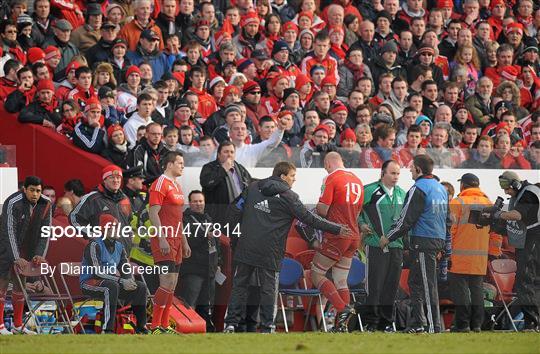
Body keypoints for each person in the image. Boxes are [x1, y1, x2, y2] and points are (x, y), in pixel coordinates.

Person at [224, 161, 351, 333]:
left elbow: (234, 210)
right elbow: (309, 219)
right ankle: (268, 327)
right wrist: (336, 228)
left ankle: (230, 324)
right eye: (292, 176)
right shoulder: (289, 196)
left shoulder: (252, 188)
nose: (294, 180)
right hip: (270, 251)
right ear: (283, 176)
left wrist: (235, 239)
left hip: (245, 247)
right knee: (269, 290)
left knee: (239, 286)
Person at [381, 154, 452, 333]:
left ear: (419, 169)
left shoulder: (418, 188)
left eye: (412, 167)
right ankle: (418, 323)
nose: (410, 170)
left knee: (426, 285)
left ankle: (432, 326)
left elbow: (406, 219)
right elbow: (448, 219)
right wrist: (443, 244)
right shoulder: (441, 188)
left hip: (423, 240)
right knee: (415, 282)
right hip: (436, 240)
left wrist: (388, 237)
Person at [310, 152, 363, 332]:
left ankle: (342, 309)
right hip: (354, 235)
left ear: (328, 163)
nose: (325, 169)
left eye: (325, 166)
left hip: (337, 235)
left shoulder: (332, 178)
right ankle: (342, 325)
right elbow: (357, 212)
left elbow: (323, 210)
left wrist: (318, 206)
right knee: (341, 280)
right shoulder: (357, 180)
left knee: (316, 273)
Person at [485, 171, 540, 331]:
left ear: (515, 184)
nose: (506, 192)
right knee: (530, 281)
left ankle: (532, 322)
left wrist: (498, 214)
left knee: (526, 280)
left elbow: (516, 216)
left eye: (507, 188)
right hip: (530, 239)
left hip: (534, 239)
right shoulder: (526, 192)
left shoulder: (528, 193)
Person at [79, 214, 149, 334]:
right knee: (111, 287)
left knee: (140, 287)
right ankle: (107, 329)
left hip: (112, 283)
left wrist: (129, 281)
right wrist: (122, 281)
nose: (119, 230)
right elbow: (97, 273)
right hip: (89, 283)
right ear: (105, 229)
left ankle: (141, 328)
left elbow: (125, 267)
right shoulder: (94, 245)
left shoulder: (119, 246)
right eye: (115, 227)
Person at [358, 160, 406, 332]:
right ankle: (371, 322)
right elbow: (355, 211)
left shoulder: (403, 193)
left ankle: (386, 323)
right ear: (383, 173)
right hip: (375, 244)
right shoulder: (369, 191)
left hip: (397, 245)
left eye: (398, 174)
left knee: (391, 286)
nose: (395, 177)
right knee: (375, 285)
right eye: (392, 173)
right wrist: (361, 223)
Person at [0, 176, 51, 335]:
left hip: (25, 249)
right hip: (4, 246)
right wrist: (16, 256)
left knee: (19, 286)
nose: (35, 194)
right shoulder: (12, 202)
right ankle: (0, 326)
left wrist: (39, 254)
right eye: (32, 190)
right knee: (2, 284)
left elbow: (45, 232)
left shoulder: (46, 203)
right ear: (24, 189)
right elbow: (8, 231)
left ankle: (18, 325)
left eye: (38, 190)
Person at [148, 151, 191, 334]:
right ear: (170, 164)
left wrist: (185, 242)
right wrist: (161, 238)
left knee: (173, 283)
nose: (182, 166)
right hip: (164, 239)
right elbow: (153, 213)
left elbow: (178, 218)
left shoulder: (177, 186)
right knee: (165, 282)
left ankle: (165, 325)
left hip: (176, 240)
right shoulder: (160, 183)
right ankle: (155, 325)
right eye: (180, 163)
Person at [448, 173, 491, 333]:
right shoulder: (489, 203)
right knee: (477, 290)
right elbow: (496, 233)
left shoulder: (457, 202)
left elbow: (450, 230)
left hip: (459, 256)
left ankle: (463, 324)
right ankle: (477, 325)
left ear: (463, 185)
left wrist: (446, 252)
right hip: (480, 257)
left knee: (461, 292)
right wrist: (492, 252)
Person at [178, 190, 218, 332]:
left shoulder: (208, 218)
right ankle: (188, 328)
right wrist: (204, 234)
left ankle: (204, 329)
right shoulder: (184, 219)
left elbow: (215, 244)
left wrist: (218, 264)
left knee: (207, 305)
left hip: (210, 270)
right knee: (190, 303)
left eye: (201, 201)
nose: (198, 204)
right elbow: (188, 242)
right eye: (195, 201)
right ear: (190, 203)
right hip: (193, 270)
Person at [69, 165, 133, 252]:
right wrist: (90, 234)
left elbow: (129, 222)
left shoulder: (125, 199)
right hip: (102, 253)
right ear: (104, 180)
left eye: (118, 177)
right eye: (111, 177)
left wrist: (129, 240)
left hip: (124, 253)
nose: (116, 180)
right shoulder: (92, 198)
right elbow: (74, 218)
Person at [200, 141, 252, 229]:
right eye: (226, 152)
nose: (229, 155)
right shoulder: (209, 167)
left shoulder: (240, 168)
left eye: (232, 152)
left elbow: (250, 185)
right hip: (218, 216)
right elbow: (207, 184)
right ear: (219, 154)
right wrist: (223, 169)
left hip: (239, 215)